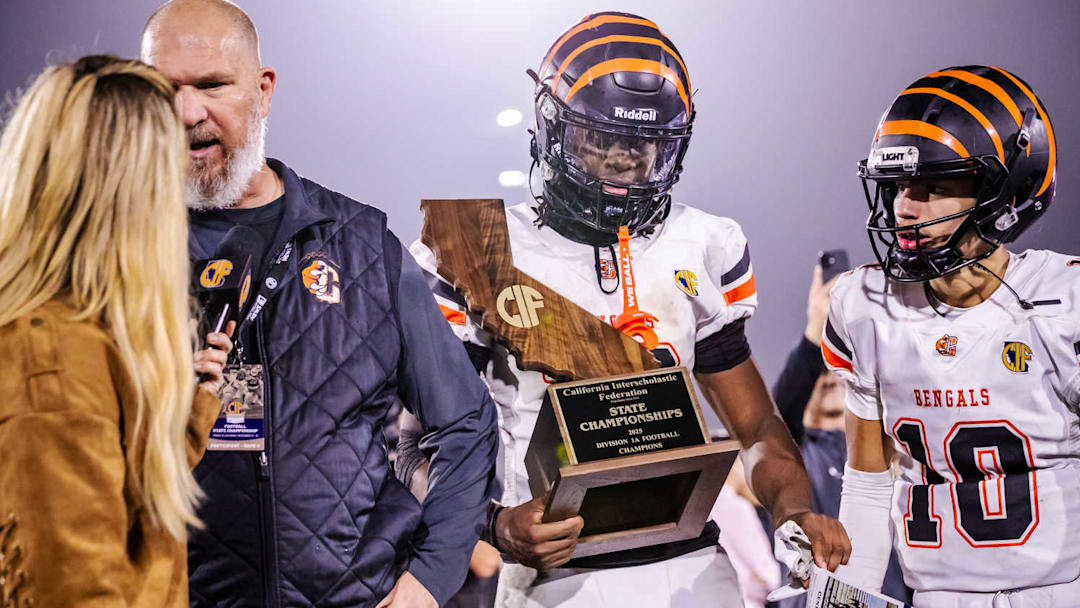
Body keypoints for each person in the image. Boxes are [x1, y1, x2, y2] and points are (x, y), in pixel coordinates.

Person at [409, 12, 849, 606]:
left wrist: (795, 509)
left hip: (696, 564)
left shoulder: (702, 243)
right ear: (552, 126)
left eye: (645, 143)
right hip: (554, 578)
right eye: (600, 138)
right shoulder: (475, 248)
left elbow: (759, 428)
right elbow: (410, 445)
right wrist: (494, 524)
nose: (623, 159)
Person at [141, 2, 499, 606]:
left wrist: (428, 582)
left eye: (211, 85)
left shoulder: (360, 242)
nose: (186, 112)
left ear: (263, 90)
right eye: (163, 89)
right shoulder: (116, 253)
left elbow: (465, 421)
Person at [828, 65, 1079, 606]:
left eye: (935, 186)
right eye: (898, 186)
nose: (903, 207)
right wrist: (849, 601)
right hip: (936, 595)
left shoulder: (1066, 302)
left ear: (1005, 190)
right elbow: (869, 487)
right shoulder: (865, 307)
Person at [0, 55, 230, 607]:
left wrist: (196, 405)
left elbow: (110, 497)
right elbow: (81, 589)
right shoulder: (50, 355)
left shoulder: (78, 331)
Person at [771, 266, 911, 606]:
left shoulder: (886, 449)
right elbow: (776, 414)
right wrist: (813, 332)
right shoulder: (798, 452)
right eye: (818, 370)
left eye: (835, 367)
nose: (829, 377)